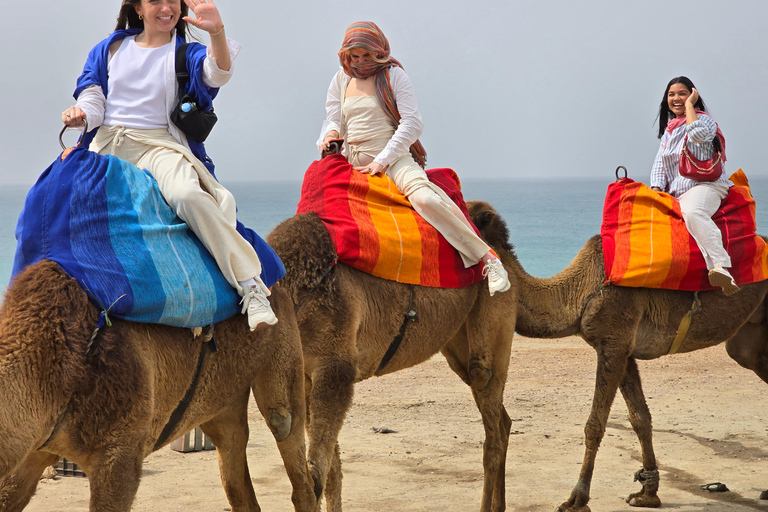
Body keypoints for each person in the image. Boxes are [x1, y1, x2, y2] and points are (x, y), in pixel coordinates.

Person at [62, 0, 277, 329]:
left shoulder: (185, 53)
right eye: (155, 1)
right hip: (107, 144)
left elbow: (218, 72)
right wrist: (81, 114)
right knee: (55, 199)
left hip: (158, 145)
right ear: (137, 8)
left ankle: (250, 286)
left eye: (171, 1)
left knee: (187, 195)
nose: (166, 8)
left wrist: (217, 32)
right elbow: (93, 95)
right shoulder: (109, 49)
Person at [317, 21, 510, 295]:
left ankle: (487, 259)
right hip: (350, 158)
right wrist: (330, 135)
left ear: (379, 52)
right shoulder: (341, 79)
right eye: (354, 56)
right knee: (316, 205)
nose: (360, 62)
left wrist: (381, 161)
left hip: (393, 158)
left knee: (425, 199)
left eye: (366, 56)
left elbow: (412, 123)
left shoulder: (394, 76)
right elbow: (332, 117)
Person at [650, 76, 739, 296]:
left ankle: (721, 266)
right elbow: (660, 164)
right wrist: (655, 190)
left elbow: (697, 136)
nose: (676, 98)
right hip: (677, 192)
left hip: (704, 185)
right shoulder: (670, 131)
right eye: (671, 94)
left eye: (682, 93)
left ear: (693, 95)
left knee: (693, 211)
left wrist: (690, 107)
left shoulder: (704, 120)